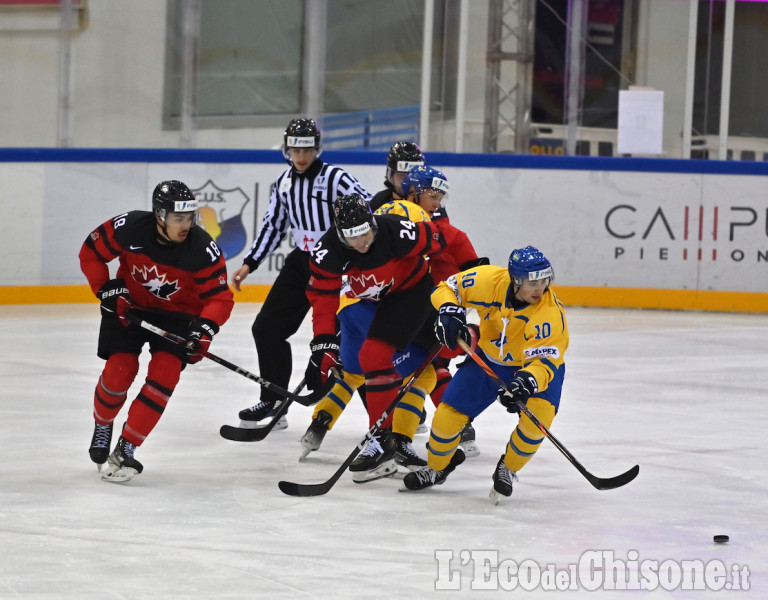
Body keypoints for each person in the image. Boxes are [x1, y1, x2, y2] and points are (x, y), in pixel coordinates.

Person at [300, 166, 485, 467]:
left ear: (373, 222)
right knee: (375, 358)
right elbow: (323, 299)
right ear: (338, 234)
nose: (362, 243)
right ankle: (381, 439)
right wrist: (322, 341)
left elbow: (450, 237)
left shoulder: (396, 229)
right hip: (384, 304)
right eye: (352, 238)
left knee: (447, 349)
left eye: (365, 233)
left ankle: (476, 336)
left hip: (414, 293)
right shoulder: (326, 252)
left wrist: (474, 269)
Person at [79, 180, 234, 482]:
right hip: (129, 305)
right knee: (119, 371)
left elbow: (220, 298)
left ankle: (127, 447)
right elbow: (91, 251)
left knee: (164, 376)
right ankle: (103, 424)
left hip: (178, 317)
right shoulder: (130, 228)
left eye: (189, 217)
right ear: (160, 216)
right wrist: (107, 289)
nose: (186, 225)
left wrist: (203, 330)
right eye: (178, 218)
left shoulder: (202, 249)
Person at [230, 117, 371, 430]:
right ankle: (275, 399)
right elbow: (273, 224)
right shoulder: (284, 183)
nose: (301, 156)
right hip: (302, 262)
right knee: (266, 329)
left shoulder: (335, 178)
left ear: (317, 149)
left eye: (307, 149)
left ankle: (384, 415)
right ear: (286, 150)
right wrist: (250, 262)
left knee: (348, 340)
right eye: (295, 149)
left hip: (339, 265)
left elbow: (368, 206)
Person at [401, 246, 569, 503]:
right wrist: (448, 309)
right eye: (531, 282)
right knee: (446, 420)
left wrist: (525, 382)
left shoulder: (549, 314)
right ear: (515, 280)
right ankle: (437, 467)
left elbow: (545, 362)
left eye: (544, 280)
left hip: (534, 369)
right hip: (488, 359)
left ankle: (508, 468)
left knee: (537, 423)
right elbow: (446, 289)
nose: (540, 288)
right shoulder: (488, 281)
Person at [303, 193, 446, 482]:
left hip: (366, 305)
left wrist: (325, 340)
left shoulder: (390, 219)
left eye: (365, 232)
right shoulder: (407, 224)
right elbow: (442, 249)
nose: (362, 241)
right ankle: (396, 441)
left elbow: (326, 297)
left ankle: (322, 420)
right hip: (376, 306)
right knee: (420, 373)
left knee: (356, 371)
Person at [369, 141, 425, 212]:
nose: (408, 180)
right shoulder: (379, 201)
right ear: (391, 175)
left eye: (414, 175)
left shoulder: (426, 202)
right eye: (402, 174)